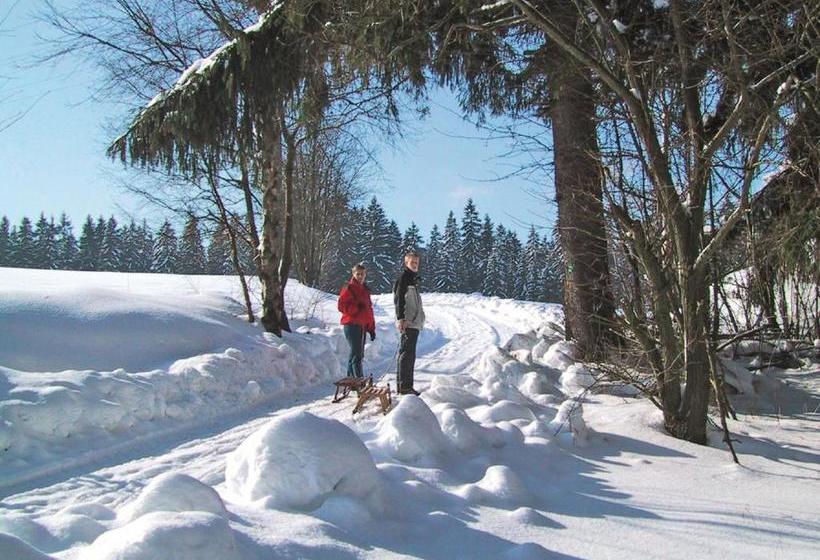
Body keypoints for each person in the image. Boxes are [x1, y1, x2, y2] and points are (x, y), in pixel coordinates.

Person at [393, 250, 425, 395]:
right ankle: (405, 387)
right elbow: (399, 299)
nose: (414, 265)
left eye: (416, 262)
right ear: (406, 263)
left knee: (408, 354)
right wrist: (401, 318)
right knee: (407, 354)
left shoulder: (412, 278)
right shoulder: (404, 278)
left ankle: (405, 386)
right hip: (408, 322)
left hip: (413, 322)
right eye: (412, 262)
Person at [338, 263, 376, 378]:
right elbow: (341, 306)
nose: (360, 276)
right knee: (357, 355)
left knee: (356, 354)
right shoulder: (348, 288)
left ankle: (351, 380)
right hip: (352, 325)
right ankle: (359, 382)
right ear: (353, 274)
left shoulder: (364, 290)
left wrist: (371, 328)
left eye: (362, 274)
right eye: (358, 274)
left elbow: (368, 311)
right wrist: (355, 308)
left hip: (362, 326)